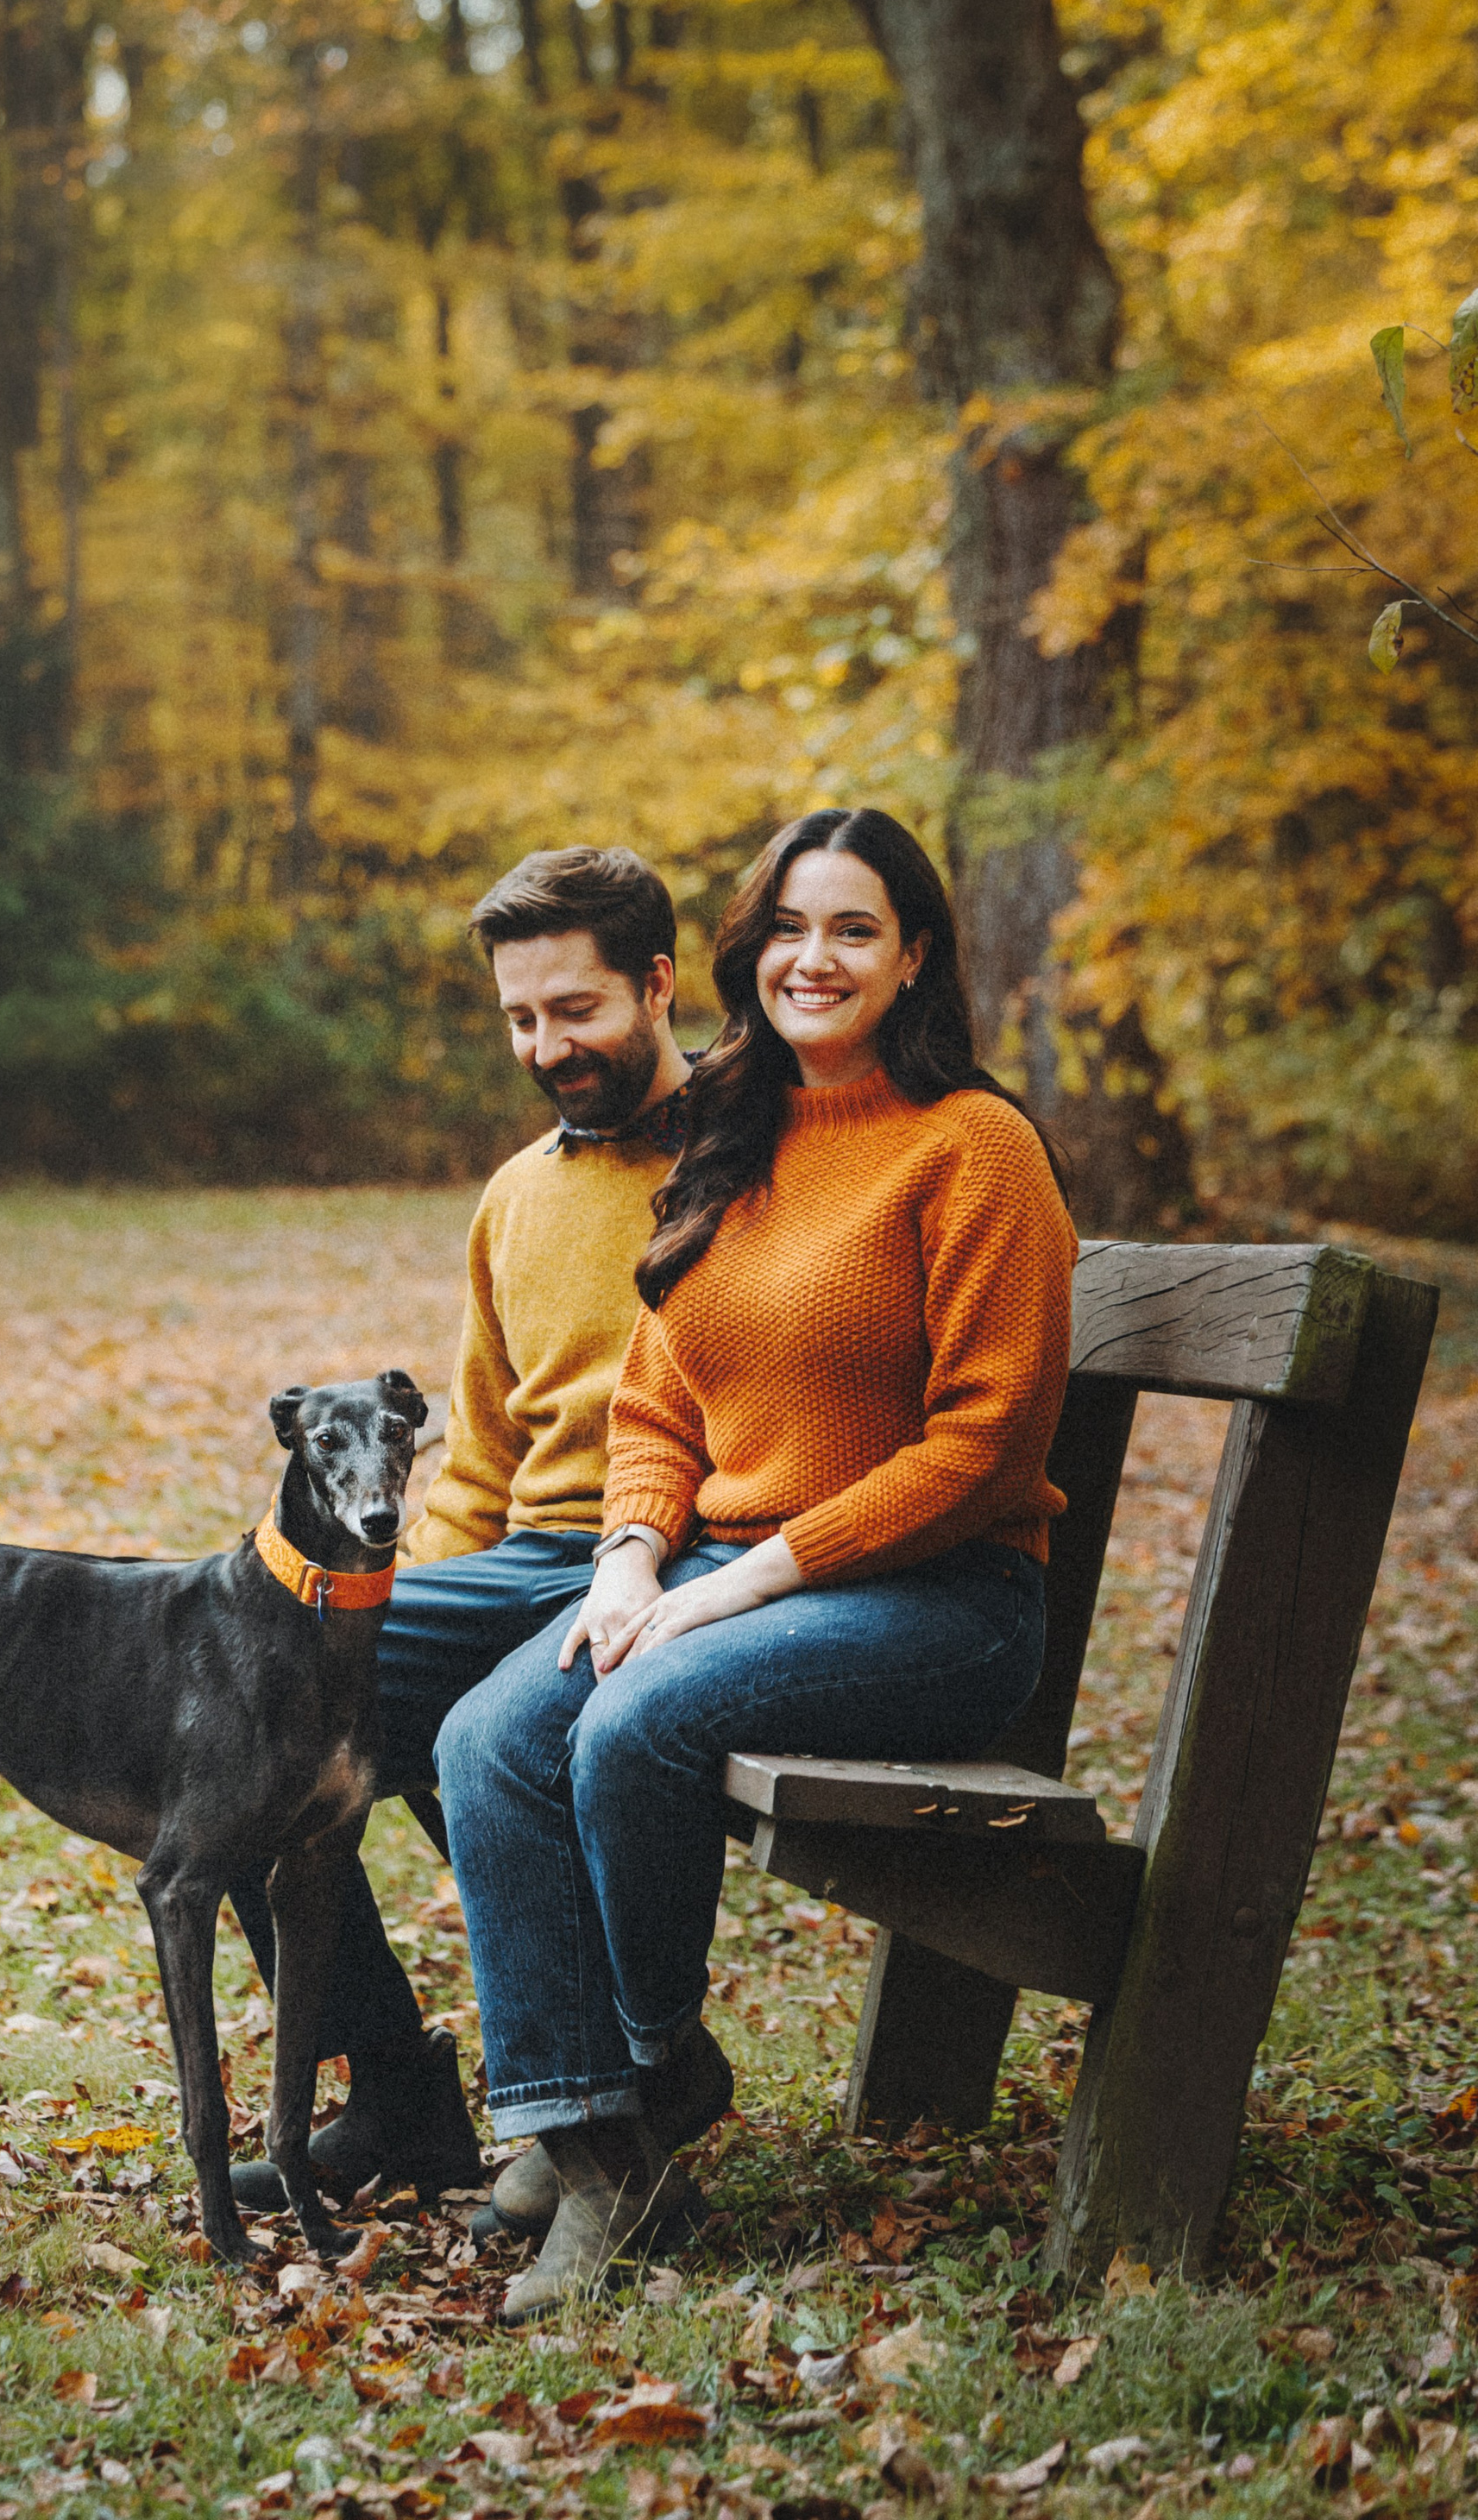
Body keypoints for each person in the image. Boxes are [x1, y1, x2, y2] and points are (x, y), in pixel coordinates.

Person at [433, 807, 1079, 2322]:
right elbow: (663, 1390)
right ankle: (590, 2128)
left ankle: (645, 2094)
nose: (815, 957)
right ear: (747, 953)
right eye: (789, 928)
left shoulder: (976, 1151)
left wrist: (736, 1580)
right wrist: (630, 1561)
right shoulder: (739, 1128)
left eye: (854, 928)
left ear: (913, 956)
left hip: (943, 1602)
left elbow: (980, 1448)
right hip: (731, 1562)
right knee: (489, 1736)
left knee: (636, 1720)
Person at [228, 846, 733, 2221]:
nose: (546, 1046)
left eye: (575, 1011)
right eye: (520, 1019)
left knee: (473, 1730)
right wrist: (403, 1611)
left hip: (690, 1550)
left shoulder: (755, 1154)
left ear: (658, 984)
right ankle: (396, 2096)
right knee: (257, 1725)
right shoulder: (515, 1197)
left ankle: (640, 2077)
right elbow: (486, 1452)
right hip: (525, 1557)